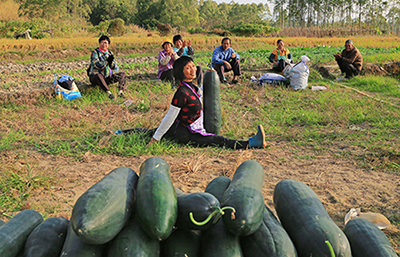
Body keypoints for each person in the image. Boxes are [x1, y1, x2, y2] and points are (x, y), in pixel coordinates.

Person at [117, 56, 266, 149]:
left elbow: (198, 95)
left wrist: (211, 77)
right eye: (187, 68)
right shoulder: (181, 92)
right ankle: (251, 143)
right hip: (185, 132)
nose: (193, 69)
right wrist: (156, 140)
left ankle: (121, 132)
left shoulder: (192, 87)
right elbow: (169, 116)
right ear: (181, 72)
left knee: (148, 131)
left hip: (188, 126)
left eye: (193, 66)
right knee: (217, 140)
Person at [88, 35, 127, 99]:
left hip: (107, 76)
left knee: (122, 74)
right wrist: (106, 62)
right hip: (96, 77)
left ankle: (120, 92)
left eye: (106, 43)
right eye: (102, 42)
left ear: (108, 44)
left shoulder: (109, 53)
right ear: (99, 43)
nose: (104, 44)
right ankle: (109, 93)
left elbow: (114, 67)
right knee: (98, 75)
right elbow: (96, 65)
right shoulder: (95, 52)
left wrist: (111, 62)